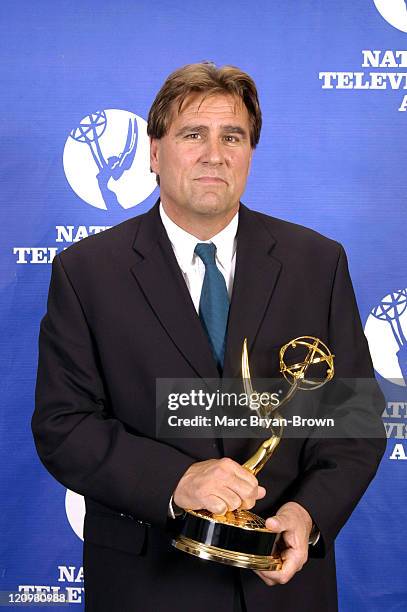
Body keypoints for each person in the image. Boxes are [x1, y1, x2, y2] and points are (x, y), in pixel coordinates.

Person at [32, 62, 385, 612]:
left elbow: (354, 427)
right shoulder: (86, 272)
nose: (214, 153)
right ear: (154, 152)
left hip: (283, 585)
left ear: (249, 153)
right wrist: (176, 480)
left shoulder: (317, 264)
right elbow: (64, 426)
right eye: (192, 134)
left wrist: (306, 516)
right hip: (146, 586)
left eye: (233, 136)